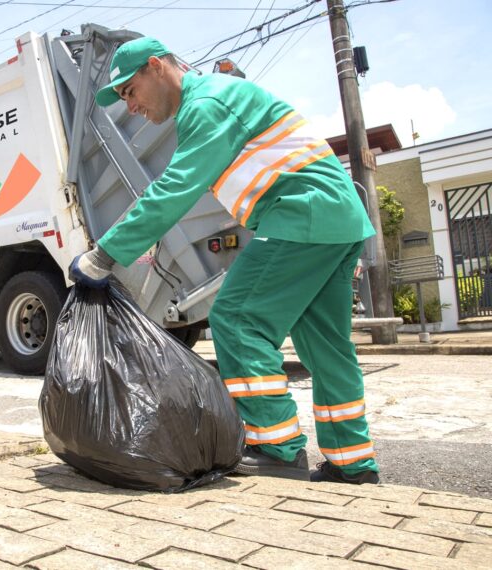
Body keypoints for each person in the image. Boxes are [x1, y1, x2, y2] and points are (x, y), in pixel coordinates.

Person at [70, 36, 379, 484]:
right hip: (336, 219)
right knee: (327, 348)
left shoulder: (207, 103)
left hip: (302, 213)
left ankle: (276, 447)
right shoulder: (218, 98)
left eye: (129, 91)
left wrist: (104, 255)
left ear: (156, 66)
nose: (130, 106)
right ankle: (354, 464)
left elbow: (174, 188)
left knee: (237, 318)